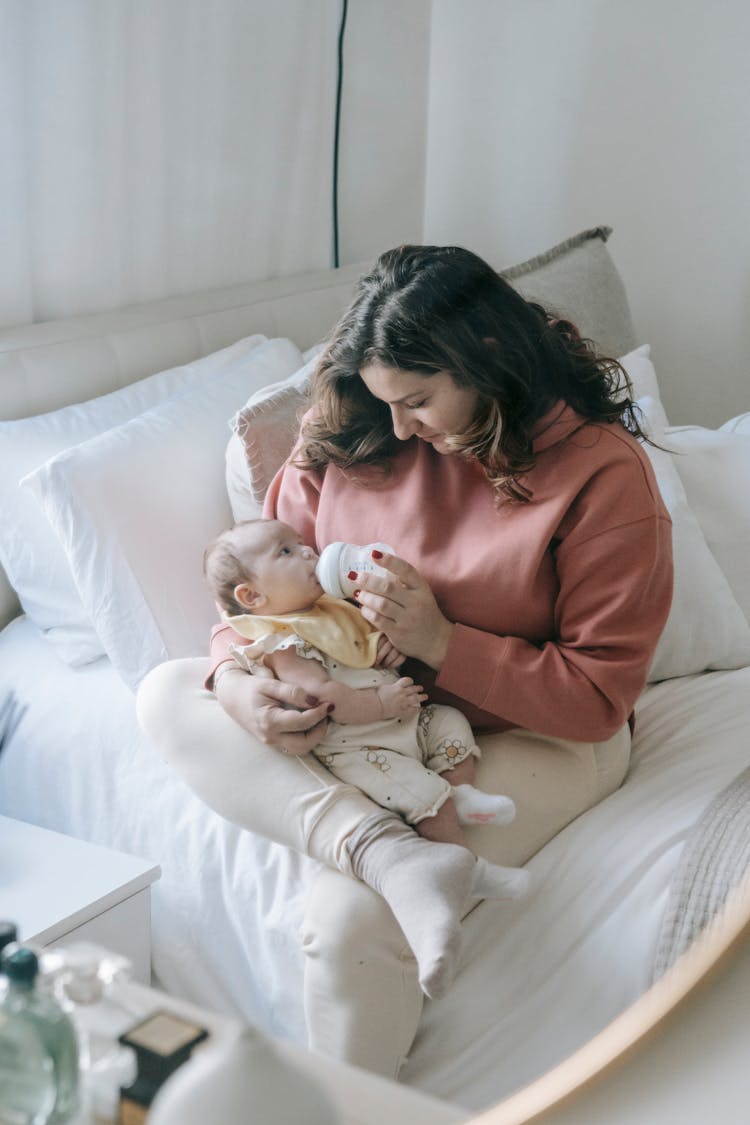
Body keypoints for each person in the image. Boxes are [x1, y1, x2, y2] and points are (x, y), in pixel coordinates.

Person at [137, 243, 673, 1079]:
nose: (399, 429)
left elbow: (599, 697)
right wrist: (238, 682)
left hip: (539, 731)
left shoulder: (601, 472)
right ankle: (386, 848)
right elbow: (255, 604)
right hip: (369, 717)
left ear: (485, 357)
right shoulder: (353, 433)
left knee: (351, 928)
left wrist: (441, 643)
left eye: (418, 400)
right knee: (167, 689)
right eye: (385, 401)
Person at [203, 517, 528, 866]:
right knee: (421, 793)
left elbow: (359, 643)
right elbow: (324, 694)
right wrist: (381, 703)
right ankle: (463, 864)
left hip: (405, 718)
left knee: (449, 723)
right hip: (364, 745)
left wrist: (388, 643)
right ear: (252, 595)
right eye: (286, 551)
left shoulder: (328, 608)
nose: (308, 551)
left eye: (300, 543)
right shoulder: (282, 642)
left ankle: (461, 793)